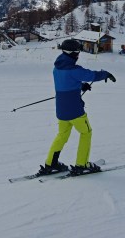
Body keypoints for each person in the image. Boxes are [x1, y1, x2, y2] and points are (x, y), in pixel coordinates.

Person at [38, 39, 116, 177]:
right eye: (78, 52)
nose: (79, 55)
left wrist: (80, 86)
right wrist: (105, 74)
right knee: (86, 133)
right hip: (75, 112)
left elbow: (67, 81)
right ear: (73, 53)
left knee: (62, 136)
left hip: (61, 111)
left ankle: (51, 164)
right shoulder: (75, 69)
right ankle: (82, 164)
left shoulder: (57, 68)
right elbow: (92, 75)